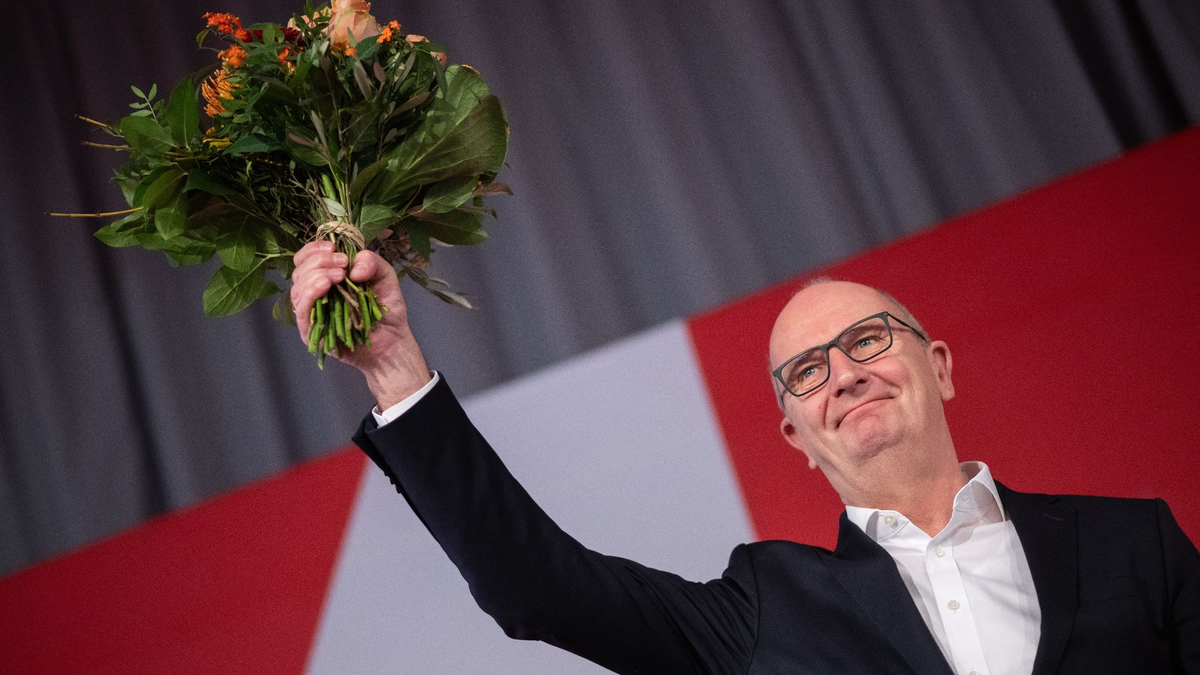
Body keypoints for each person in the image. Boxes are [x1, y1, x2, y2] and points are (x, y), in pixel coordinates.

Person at [290, 241, 1200, 674]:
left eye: (869, 338)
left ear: (941, 366)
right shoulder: (765, 612)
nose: (843, 372)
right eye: (806, 372)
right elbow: (540, 586)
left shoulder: (1135, 546)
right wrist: (393, 366)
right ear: (796, 440)